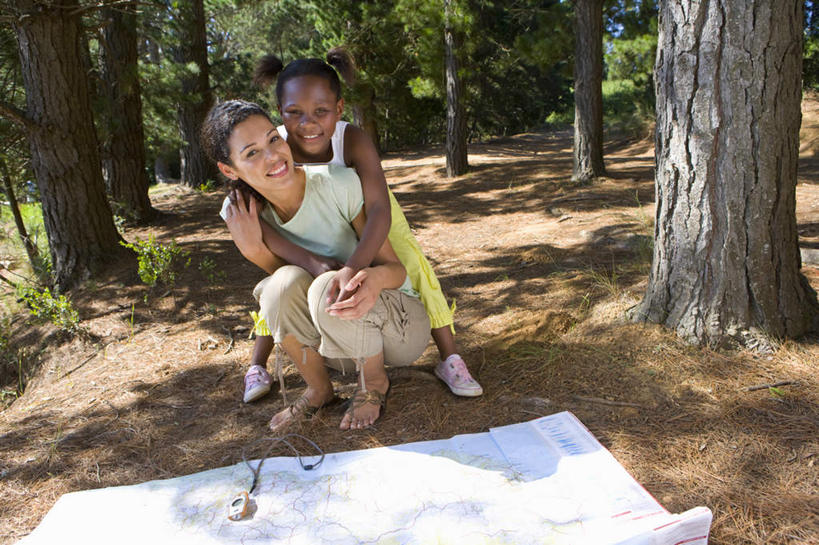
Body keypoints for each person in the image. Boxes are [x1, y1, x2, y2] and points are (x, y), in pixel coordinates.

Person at [237, 49, 482, 404]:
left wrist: (354, 266)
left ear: (339, 109)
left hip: (369, 205)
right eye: (294, 113)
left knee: (410, 261)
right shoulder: (273, 147)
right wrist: (307, 260)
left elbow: (380, 208)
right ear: (280, 112)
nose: (308, 123)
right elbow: (258, 210)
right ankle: (258, 362)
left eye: (321, 112)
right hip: (311, 215)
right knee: (280, 280)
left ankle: (449, 357)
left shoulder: (350, 138)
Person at [201, 99, 431, 431]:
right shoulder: (241, 211)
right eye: (251, 153)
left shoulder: (336, 183)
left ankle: (374, 383)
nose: (273, 157)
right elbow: (289, 293)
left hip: (400, 329)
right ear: (228, 169)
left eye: (273, 140)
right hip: (338, 346)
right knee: (278, 284)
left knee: (327, 284)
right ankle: (319, 389)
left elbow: (396, 271)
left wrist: (372, 279)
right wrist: (254, 251)